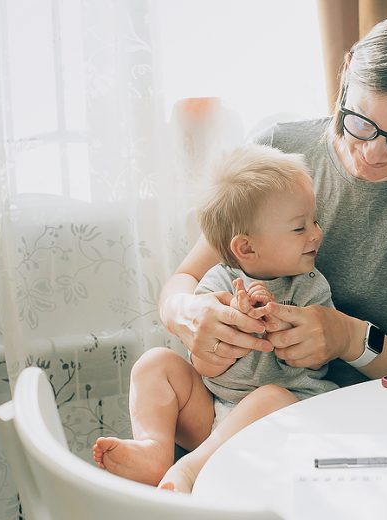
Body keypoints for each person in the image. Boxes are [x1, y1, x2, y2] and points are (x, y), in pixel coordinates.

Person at [157, 13, 387, 391]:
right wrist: (188, 313)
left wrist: (352, 340)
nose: (372, 153)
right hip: (233, 405)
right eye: (361, 122)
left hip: (373, 418)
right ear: (347, 72)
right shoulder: (277, 152)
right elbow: (183, 281)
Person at [92, 144, 337, 492]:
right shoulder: (216, 284)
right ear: (246, 248)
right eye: (300, 228)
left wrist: (274, 319)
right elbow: (205, 366)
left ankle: (191, 469)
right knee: (154, 362)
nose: (316, 233)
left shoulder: (310, 286)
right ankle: (154, 450)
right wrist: (222, 340)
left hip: (283, 414)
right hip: (215, 412)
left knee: (271, 395)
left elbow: (314, 355)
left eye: (314, 221)